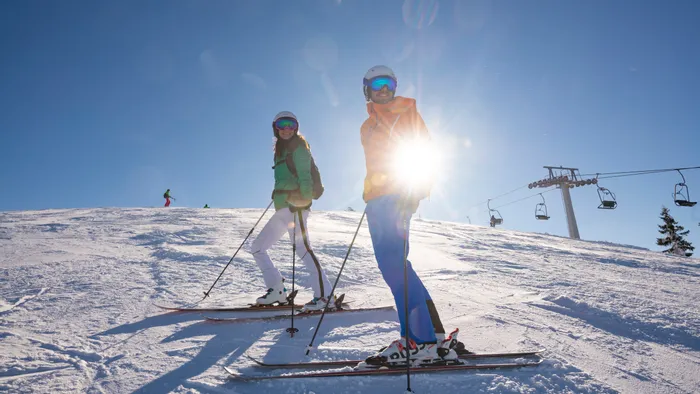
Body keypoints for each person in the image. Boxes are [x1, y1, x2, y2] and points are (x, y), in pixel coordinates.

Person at [359, 65, 466, 366]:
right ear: (366, 89)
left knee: (394, 266)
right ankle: (434, 333)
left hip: (398, 197)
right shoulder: (366, 127)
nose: (384, 89)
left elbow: (424, 152)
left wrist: (415, 191)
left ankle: (418, 341)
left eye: (389, 84)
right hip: (377, 202)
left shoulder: (406, 113)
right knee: (397, 265)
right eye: (377, 84)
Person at [248, 111, 335, 313]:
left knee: (303, 248)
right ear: (276, 128)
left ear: (296, 128)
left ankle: (325, 296)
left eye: (291, 124)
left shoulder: (299, 148)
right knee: (257, 247)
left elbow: (305, 177)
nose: (286, 128)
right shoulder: (280, 150)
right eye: (282, 124)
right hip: (282, 208)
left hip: (297, 206)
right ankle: (277, 289)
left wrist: (303, 200)